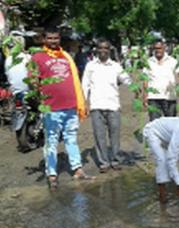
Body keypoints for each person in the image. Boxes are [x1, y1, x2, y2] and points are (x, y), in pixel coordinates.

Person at [31, 26, 94, 189]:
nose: (53, 41)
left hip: (71, 105)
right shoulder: (37, 57)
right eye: (50, 38)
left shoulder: (66, 56)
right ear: (44, 39)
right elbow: (33, 81)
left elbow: (74, 78)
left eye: (56, 38)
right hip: (51, 108)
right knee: (51, 141)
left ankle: (77, 170)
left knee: (71, 138)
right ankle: (51, 174)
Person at [82, 38, 132, 173]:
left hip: (113, 105)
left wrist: (135, 86)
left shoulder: (116, 66)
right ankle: (104, 162)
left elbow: (126, 79)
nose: (103, 50)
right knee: (99, 136)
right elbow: (84, 85)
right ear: (96, 50)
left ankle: (115, 160)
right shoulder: (90, 66)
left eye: (106, 48)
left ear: (109, 50)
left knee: (114, 135)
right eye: (100, 48)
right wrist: (85, 103)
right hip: (96, 105)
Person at [143, 39, 178, 121]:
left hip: (169, 97)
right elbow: (145, 80)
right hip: (153, 98)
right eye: (155, 48)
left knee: (171, 123)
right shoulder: (148, 62)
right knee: (155, 124)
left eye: (159, 48)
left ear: (164, 48)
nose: (158, 50)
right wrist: (145, 96)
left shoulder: (172, 61)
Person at [4, 33, 30, 98]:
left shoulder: (8, 59)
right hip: (28, 92)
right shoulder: (28, 57)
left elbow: (8, 76)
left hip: (14, 92)